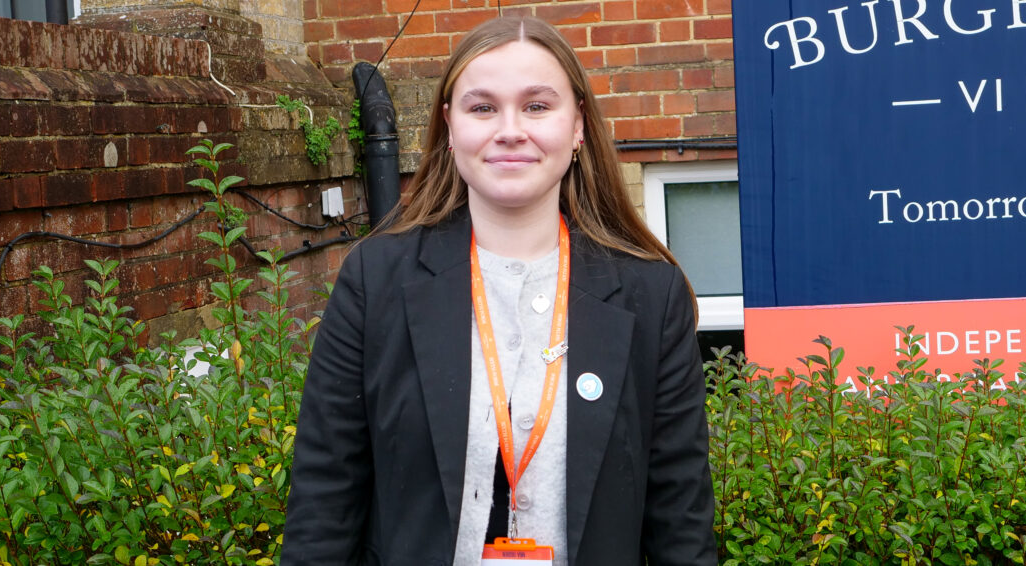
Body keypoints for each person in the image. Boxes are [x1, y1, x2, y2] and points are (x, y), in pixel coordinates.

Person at [281, 15, 715, 566]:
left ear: (578, 126)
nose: (510, 129)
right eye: (483, 108)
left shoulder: (651, 295)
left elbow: (681, 522)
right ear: (450, 126)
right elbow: (324, 502)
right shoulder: (375, 280)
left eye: (537, 106)